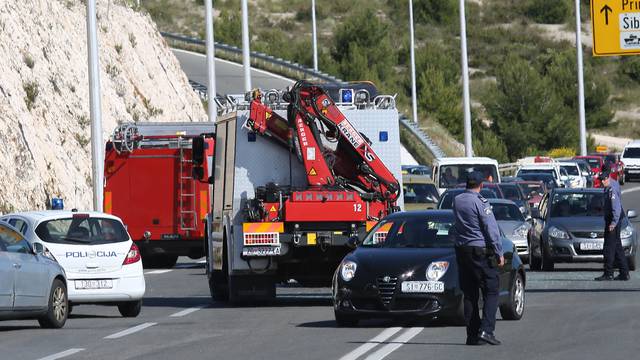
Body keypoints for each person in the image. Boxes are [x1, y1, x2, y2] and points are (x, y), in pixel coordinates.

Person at [453, 171, 504, 346]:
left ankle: (472, 334)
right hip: (480, 251)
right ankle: (486, 330)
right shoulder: (481, 202)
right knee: (491, 289)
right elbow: (491, 229)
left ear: (466, 184)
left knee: (470, 293)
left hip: (462, 251)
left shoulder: (457, 200)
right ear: (481, 185)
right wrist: (499, 252)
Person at [595, 165, 630, 281]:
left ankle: (608, 273)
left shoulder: (611, 188)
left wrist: (613, 223)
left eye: (603, 180)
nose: (601, 182)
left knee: (608, 247)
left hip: (614, 219)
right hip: (613, 218)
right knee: (617, 246)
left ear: (608, 178)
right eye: (601, 180)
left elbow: (616, 207)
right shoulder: (611, 185)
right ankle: (624, 272)